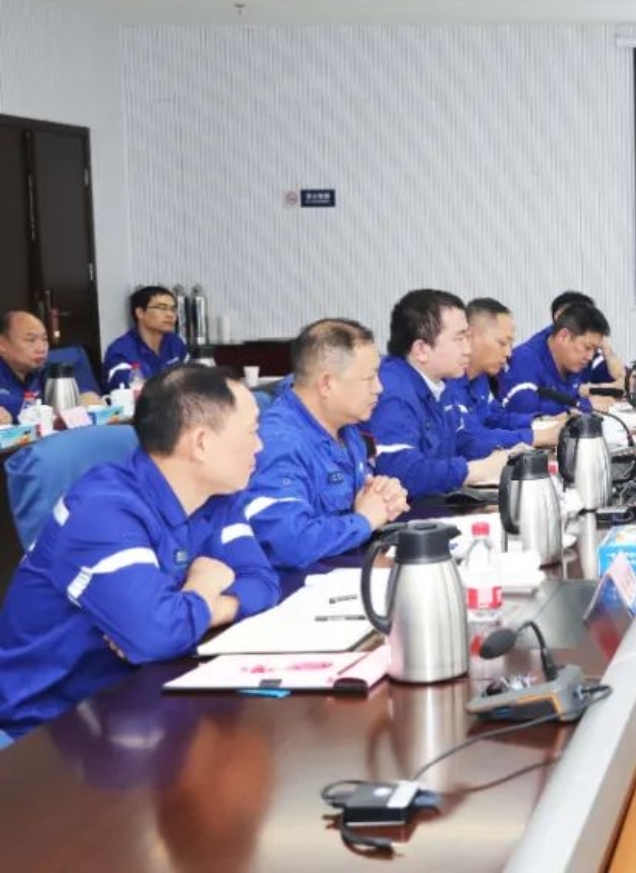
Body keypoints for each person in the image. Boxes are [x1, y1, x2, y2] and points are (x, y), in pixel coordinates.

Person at [0, 364, 280, 741]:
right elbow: (156, 633)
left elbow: (263, 583)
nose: (260, 445)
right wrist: (201, 585)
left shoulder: (218, 495)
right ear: (201, 443)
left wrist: (195, 608)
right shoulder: (102, 511)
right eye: (251, 431)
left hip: (140, 698)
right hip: (50, 730)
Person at [245, 319, 410, 570]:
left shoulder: (347, 429)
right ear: (326, 384)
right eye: (369, 378)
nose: (379, 388)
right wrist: (364, 520)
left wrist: (384, 499)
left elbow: (361, 504)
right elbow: (290, 542)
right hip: (295, 585)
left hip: (344, 569)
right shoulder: (278, 443)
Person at [367, 289, 522, 499]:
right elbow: (402, 473)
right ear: (421, 350)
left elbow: (463, 441)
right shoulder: (391, 390)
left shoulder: (440, 383)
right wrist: (476, 470)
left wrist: (509, 454)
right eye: (459, 339)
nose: (468, 350)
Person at [460, 298, 563, 448]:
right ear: (470, 336)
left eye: (510, 344)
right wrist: (539, 437)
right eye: (502, 343)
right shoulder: (446, 383)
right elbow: (471, 439)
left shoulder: (480, 378)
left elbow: (496, 419)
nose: (508, 353)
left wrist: (544, 422)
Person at [501, 301, 618, 417]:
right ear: (564, 336)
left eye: (595, 350)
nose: (590, 356)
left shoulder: (573, 361)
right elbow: (526, 413)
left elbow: (621, 382)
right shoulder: (525, 361)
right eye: (587, 347)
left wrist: (608, 353)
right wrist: (585, 405)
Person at [0, 310, 102, 423]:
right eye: (31, 340)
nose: (41, 348)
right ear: (2, 344)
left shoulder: (42, 369)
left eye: (44, 339)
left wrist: (84, 396)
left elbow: (82, 393)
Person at [103, 286, 189, 391]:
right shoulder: (120, 351)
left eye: (173, 309)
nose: (170, 315)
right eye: (162, 308)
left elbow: (190, 380)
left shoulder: (175, 342)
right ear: (140, 313)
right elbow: (129, 390)